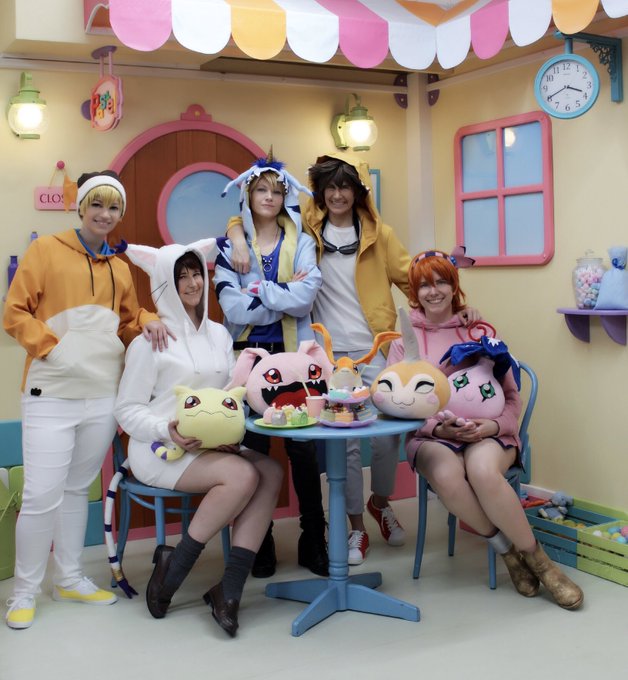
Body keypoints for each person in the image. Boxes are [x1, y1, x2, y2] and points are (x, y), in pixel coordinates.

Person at [3, 171, 170, 630]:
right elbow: (14, 313)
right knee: (41, 496)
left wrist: (148, 319)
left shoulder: (120, 267)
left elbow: (126, 322)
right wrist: (54, 350)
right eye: (97, 204)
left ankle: (69, 578)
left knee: (78, 489)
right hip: (50, 394)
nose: (104, 214)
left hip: (101, 396)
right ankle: (24, 591)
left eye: (113, 207)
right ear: (80, 207)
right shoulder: (46, 251)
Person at [395, 250, 583, 609]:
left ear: (454, 286)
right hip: (432, 436)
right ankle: (508, 553)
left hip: (490, 433)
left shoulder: (479, 330)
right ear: (414, 292)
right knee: (448, 475)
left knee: (482, 470)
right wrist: (441, 430)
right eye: (424, 285)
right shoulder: (403, 340)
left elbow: (511, 396)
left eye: (441, 282)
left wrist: (493, 425)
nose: (433, 292)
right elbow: (399, 404)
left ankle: (542, 564)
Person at [115, 239, 283, 637]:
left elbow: (229, 395)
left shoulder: (220, 335)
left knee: (272, 471)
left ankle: (229, 587)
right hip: (160, 447)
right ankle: (174, 570)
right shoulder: (149, 340)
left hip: (211, 446)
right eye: (181, 276)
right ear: (164, 283)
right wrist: (166, 430)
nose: (193, 283)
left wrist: (231, 430)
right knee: (242, 476)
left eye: (196, 274)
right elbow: (126, 411)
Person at [213, 154, 328, 577]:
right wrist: (281, 292)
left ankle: (313, 539)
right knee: (252, 451)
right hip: (247, 359)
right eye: (261, 189)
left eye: (277, 191)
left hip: (296, 359)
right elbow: (232, 308)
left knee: (304, 450)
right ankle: (257, 542)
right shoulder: (229, 246)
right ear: (248, 194)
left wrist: (259, 290)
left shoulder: (303, 242)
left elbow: (306, 298)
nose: (269, 197)